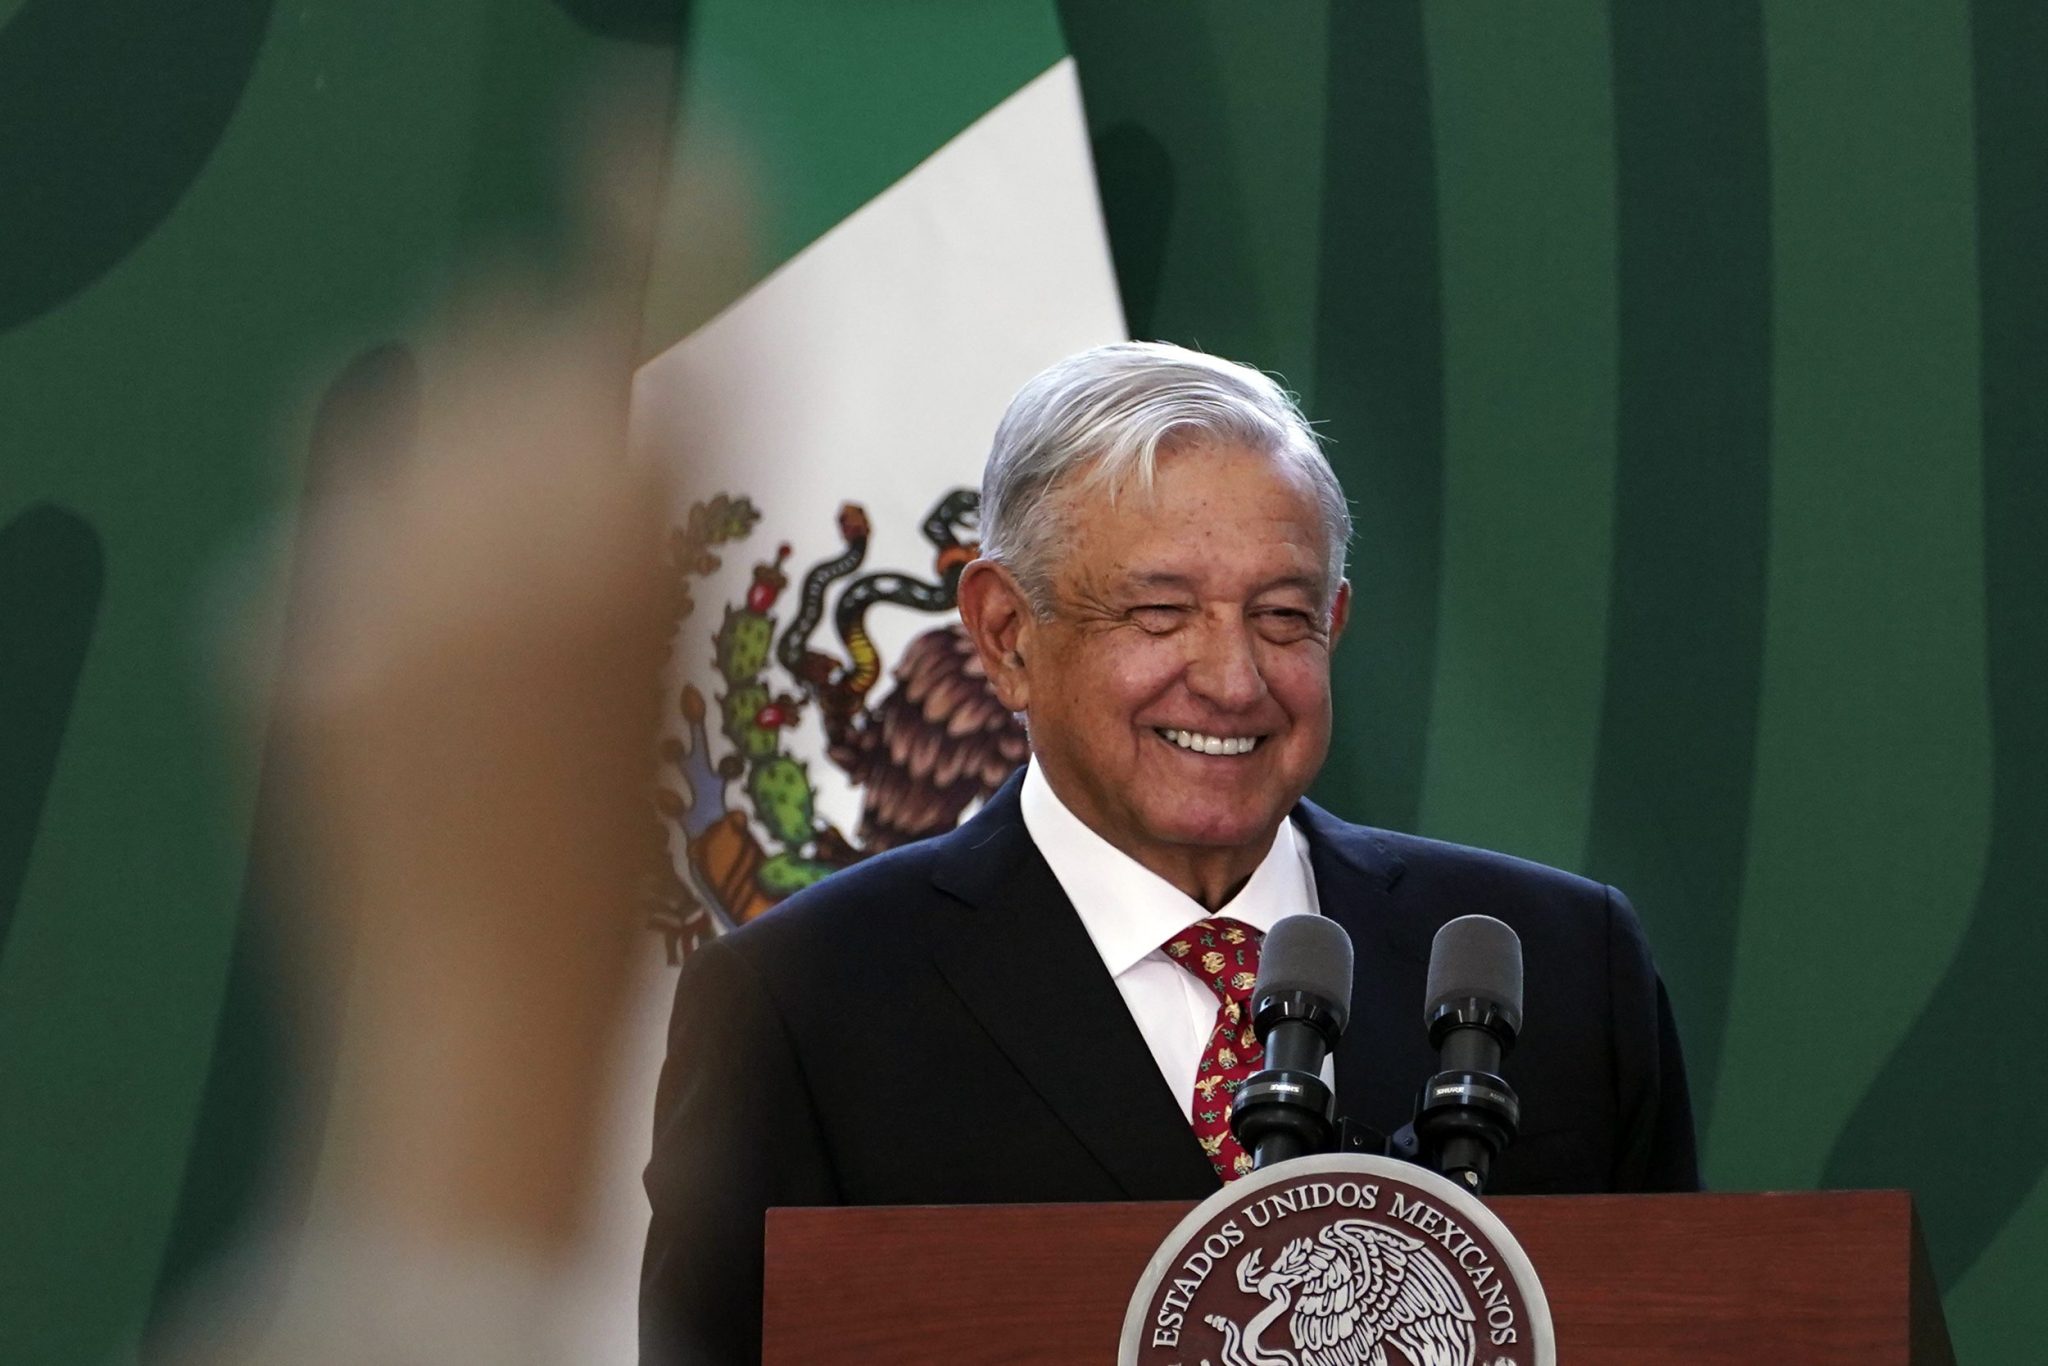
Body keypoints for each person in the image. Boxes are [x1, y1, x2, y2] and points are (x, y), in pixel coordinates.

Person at [639, 342, 1698, 1366]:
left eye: (1280, 617)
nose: (1233, 680)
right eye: (1159, 614)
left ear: (1333, 623)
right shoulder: (801, 1006)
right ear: (1006, 633)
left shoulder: (1561, 962)